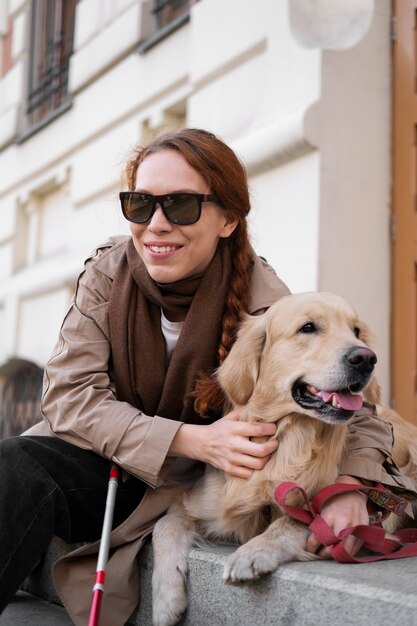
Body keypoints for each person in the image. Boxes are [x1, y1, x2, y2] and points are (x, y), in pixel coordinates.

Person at [0, 128, 414, 626]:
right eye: (140, 204)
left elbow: (360, 409)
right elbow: (68, 397)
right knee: (15, 463)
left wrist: (350, 483)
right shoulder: (108, 271)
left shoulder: (266, 301)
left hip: (187, 485)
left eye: (180, 206)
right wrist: (192, 439)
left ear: (228, 220)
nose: (156, 224)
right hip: (109, 461)